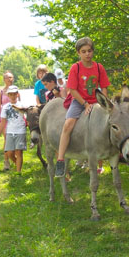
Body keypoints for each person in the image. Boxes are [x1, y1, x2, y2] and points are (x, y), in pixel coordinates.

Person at [54, 37, 111, 178]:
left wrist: (104, 103)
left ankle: (117, 151)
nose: (87, 54)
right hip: (79, 101)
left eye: (89, 51)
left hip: (97, 101)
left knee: (112, 121)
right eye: (83, 51)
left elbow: (104, 87)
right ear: (79, 53)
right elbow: (72, 90)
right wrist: (85, 104)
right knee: (68, 125)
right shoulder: (76, 68)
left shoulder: (99, 67)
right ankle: (60, 159)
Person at [0, 85, 27, 173]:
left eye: (14, 94)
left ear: (17, 94)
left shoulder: (22, 105)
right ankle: (17, 163)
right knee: (9, 153)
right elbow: (3, 122)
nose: (13, 96)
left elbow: (28, 116)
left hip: (20, 132)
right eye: (11, 94)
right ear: (8, 95)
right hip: (10, 131)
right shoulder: (5, 107)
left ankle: (18, 172)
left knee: (19, 152)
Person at [0, 71, 20, 171]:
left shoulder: (16, 91)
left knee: (14, 140)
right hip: (5, 119)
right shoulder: (0, 92)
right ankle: (6, 161)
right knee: (7, 140)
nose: (9, 79)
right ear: (4, 79)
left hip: (15, 119)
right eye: (7, 78)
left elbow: (20, 105)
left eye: (11, 77)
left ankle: (15, 159)